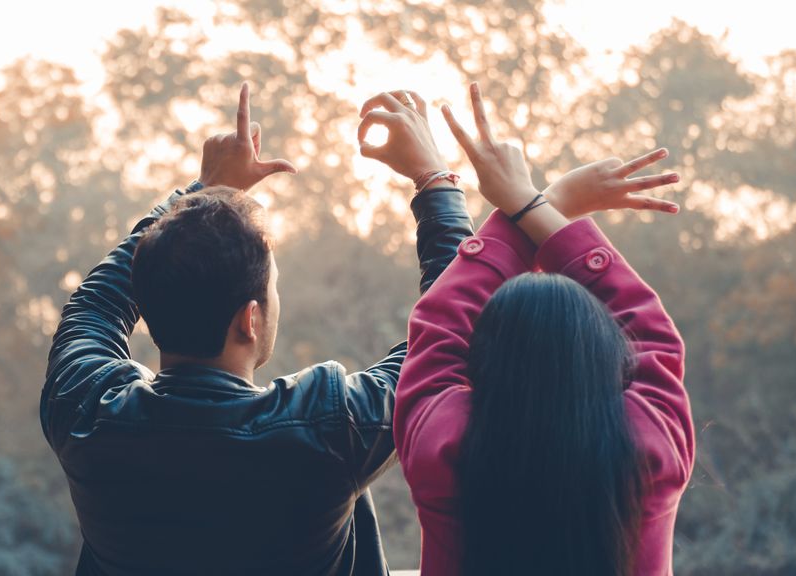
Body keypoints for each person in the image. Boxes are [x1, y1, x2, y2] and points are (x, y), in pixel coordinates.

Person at [39, 83, 474, 576]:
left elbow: (94, 305)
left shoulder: (87, 412)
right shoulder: (326, 432)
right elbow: (446, 337)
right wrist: (434, 178)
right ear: (250, 319)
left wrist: (202, 192)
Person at [394, 83, 694, 576]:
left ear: (481, 361)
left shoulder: (443, 447)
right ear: (609, 355)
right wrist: (532, 202)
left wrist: (543, 202)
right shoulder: (649, 448)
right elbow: (651, 328)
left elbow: (439, 324)